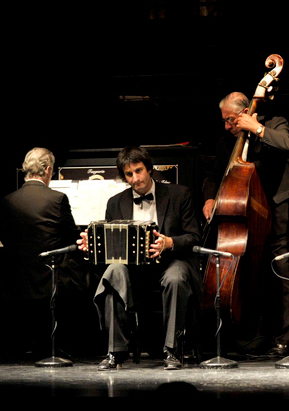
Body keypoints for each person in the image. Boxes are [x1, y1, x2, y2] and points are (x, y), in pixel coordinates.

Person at [78, 146, 201, 370]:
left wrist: (169, 242)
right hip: (132, 272)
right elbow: (107, 251)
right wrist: (92, 248)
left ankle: (172, 350)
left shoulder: (179, 194)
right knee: (113, 271)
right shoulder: (115, 203)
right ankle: (115, 351)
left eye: (139, 170)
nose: (135, 178)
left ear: (150, 169)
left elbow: (194, 237)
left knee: (176, 277)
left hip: (170, 264)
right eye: (129, 174)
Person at [202, 92, 289, 356]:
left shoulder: (275, 123)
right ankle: (248, 334)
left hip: (276, 211)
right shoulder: (226, 143)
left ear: (245, 113)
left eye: (231, 120)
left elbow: (287, 144)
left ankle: (286, 338)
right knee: (249, 276)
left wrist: (256, 128)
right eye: (224, 121)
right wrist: (210, 198)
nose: (227, 126)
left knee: (282, 274)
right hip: (246, 218)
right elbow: (214, 176)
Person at [0, 148, 83, 355]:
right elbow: (73, 238)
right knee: (89, 274)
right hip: (50, 277)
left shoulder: (8, 201)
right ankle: (77, 343)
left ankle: (26, 342)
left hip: (16, 279)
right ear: (47, 170)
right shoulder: (57, 198)